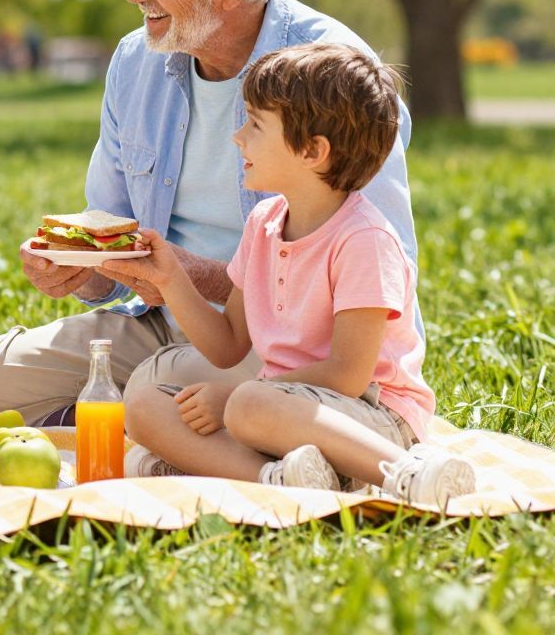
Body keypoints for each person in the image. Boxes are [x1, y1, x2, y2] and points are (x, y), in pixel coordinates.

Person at [0, 0, 418, 426]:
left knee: (159, 387)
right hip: (164, 322)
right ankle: (125, 421)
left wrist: (185, 272)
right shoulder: (135, 61)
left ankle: (125, 423)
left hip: (290, 352)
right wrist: (80, 265)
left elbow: (373, 275)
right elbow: (116, 234)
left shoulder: (335, 79)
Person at [121, 44, 474, 505]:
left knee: (246, 405)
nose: (238, 137)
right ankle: (280, 479)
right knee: (145, 402)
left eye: (255, 124)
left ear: (312, 150)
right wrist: (170, 279)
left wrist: (235, 399)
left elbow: (348, 376)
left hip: (374, 418)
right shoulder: (264, 223)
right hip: (281, 409)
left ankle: (403, 474)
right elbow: (228, 344)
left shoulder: (363, 239)